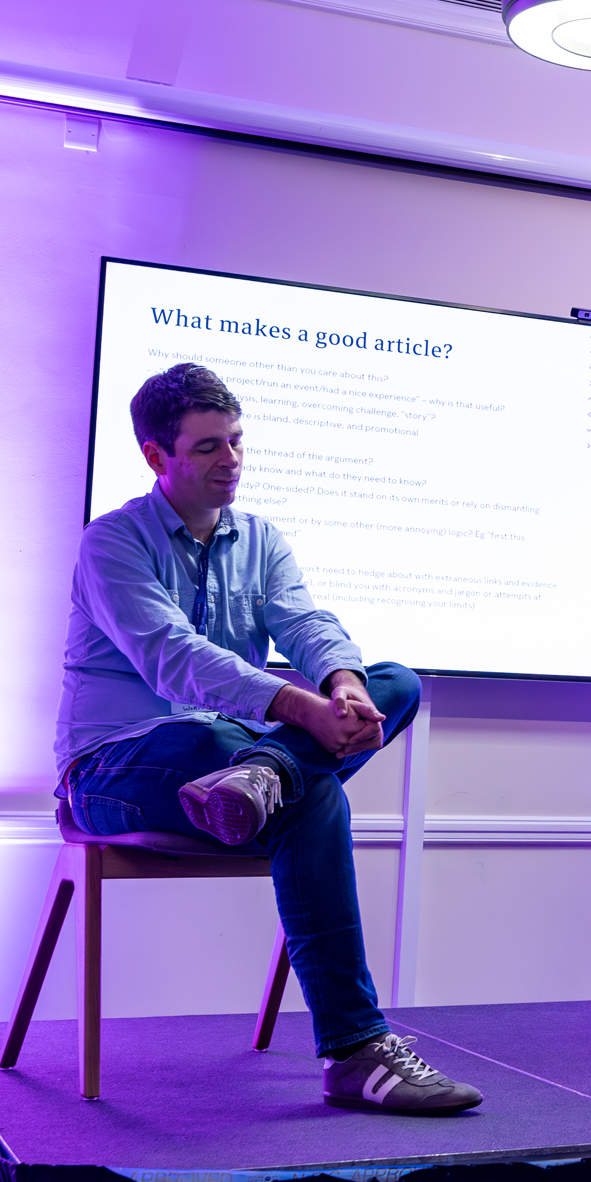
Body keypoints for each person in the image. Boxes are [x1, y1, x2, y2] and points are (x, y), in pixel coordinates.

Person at [55, 363, 484, 1116]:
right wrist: (297, 707)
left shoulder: (261, 538)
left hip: (231, 764)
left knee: (397, 683)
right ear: (158, 457)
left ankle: (263, 772)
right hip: (116, 767)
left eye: (239, 442)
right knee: (275, 770)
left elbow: (306, 624)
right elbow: (173, 657)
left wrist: (343, 683)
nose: (232, 462)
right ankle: (355, 1049)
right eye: (209, 447)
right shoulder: (111, 543)